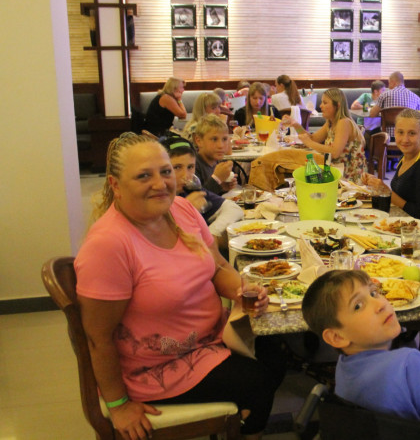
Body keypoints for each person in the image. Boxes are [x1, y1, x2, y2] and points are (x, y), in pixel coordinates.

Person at [74, 132, 284, 440]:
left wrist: (243, 289)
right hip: (159, 365)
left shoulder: (181, 210)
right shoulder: (108, 245)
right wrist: (118, 406)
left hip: (210, 338)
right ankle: (246, 423)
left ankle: (244, 419)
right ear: (115, 185)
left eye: (166, 171)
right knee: (257, 380)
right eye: (144, 176)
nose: (160, 184)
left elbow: (218, 267)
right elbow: (97, 338)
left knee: (277, 351)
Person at [301, 270, 420, 422]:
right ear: (337, 337)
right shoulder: (409, 363)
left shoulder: (343, 367)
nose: (380, 304)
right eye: (358, 306)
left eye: (373, 293)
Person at [162, 137, 243, 250]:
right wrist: (185, 211)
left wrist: (211, 234)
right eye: (177, 167)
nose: (186, 175)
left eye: (190, 167)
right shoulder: (159, 200)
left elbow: (234, 209)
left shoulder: (188, 190)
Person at [363, 109, 420, 219]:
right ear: (394, 132)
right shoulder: (404, 157)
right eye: (400, 132)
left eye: (412, 133)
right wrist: (375, 184)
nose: (405, 139)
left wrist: (387, 191)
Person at [283, 88, 366, 183]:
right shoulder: (331, 123)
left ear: (337, 105)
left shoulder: (344, 122)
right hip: (336, 170)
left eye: (325, 103)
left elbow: (334, 152)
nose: (320, 106)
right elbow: (313, 138)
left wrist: (309, 143)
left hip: (350, 177)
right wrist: (295, 124)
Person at [193, 115, 235, 195]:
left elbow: (212, 194)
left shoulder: (217, 162)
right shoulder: (193, 166)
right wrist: (217, 179)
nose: (221, 145)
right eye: (214, 139)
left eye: (224, 139)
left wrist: (222, 188)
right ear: (199, 141)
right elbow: (196, 199)